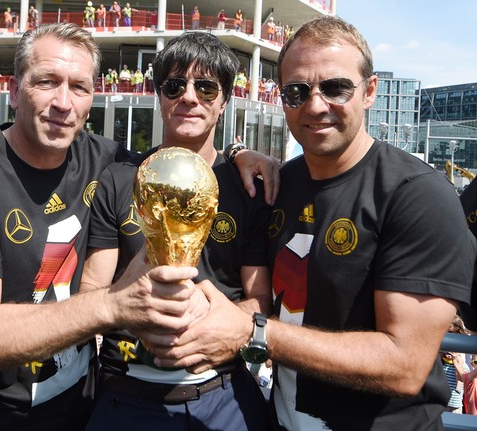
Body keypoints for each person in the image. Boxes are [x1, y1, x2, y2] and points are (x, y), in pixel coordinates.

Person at [0, 22, 278, 431]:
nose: (63, 103)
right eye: (47, 82)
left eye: (79, 87)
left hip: (82, 404)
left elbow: (181, 162)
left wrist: (240, 153)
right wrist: (115, 305)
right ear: (13, 89)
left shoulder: (107, 159)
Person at [141, 15, 476, 430]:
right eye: (297, 91)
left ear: (369, 91)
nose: (315, 105)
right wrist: (238, 154)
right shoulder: (278, 185)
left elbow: (405, 364)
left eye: (335, 87)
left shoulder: (416, 194)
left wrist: (254, 332)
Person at [83, 31, 271, 431]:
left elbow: (259, 299)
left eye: (205, 88)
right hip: (126, 395)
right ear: (159, 96)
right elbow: (90, 293)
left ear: (224, 102)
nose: (189, 97)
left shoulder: (247, 188)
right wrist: (133, 309)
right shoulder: (119, 181)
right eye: (175, 86)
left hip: (222, 395)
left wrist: (210, 327)